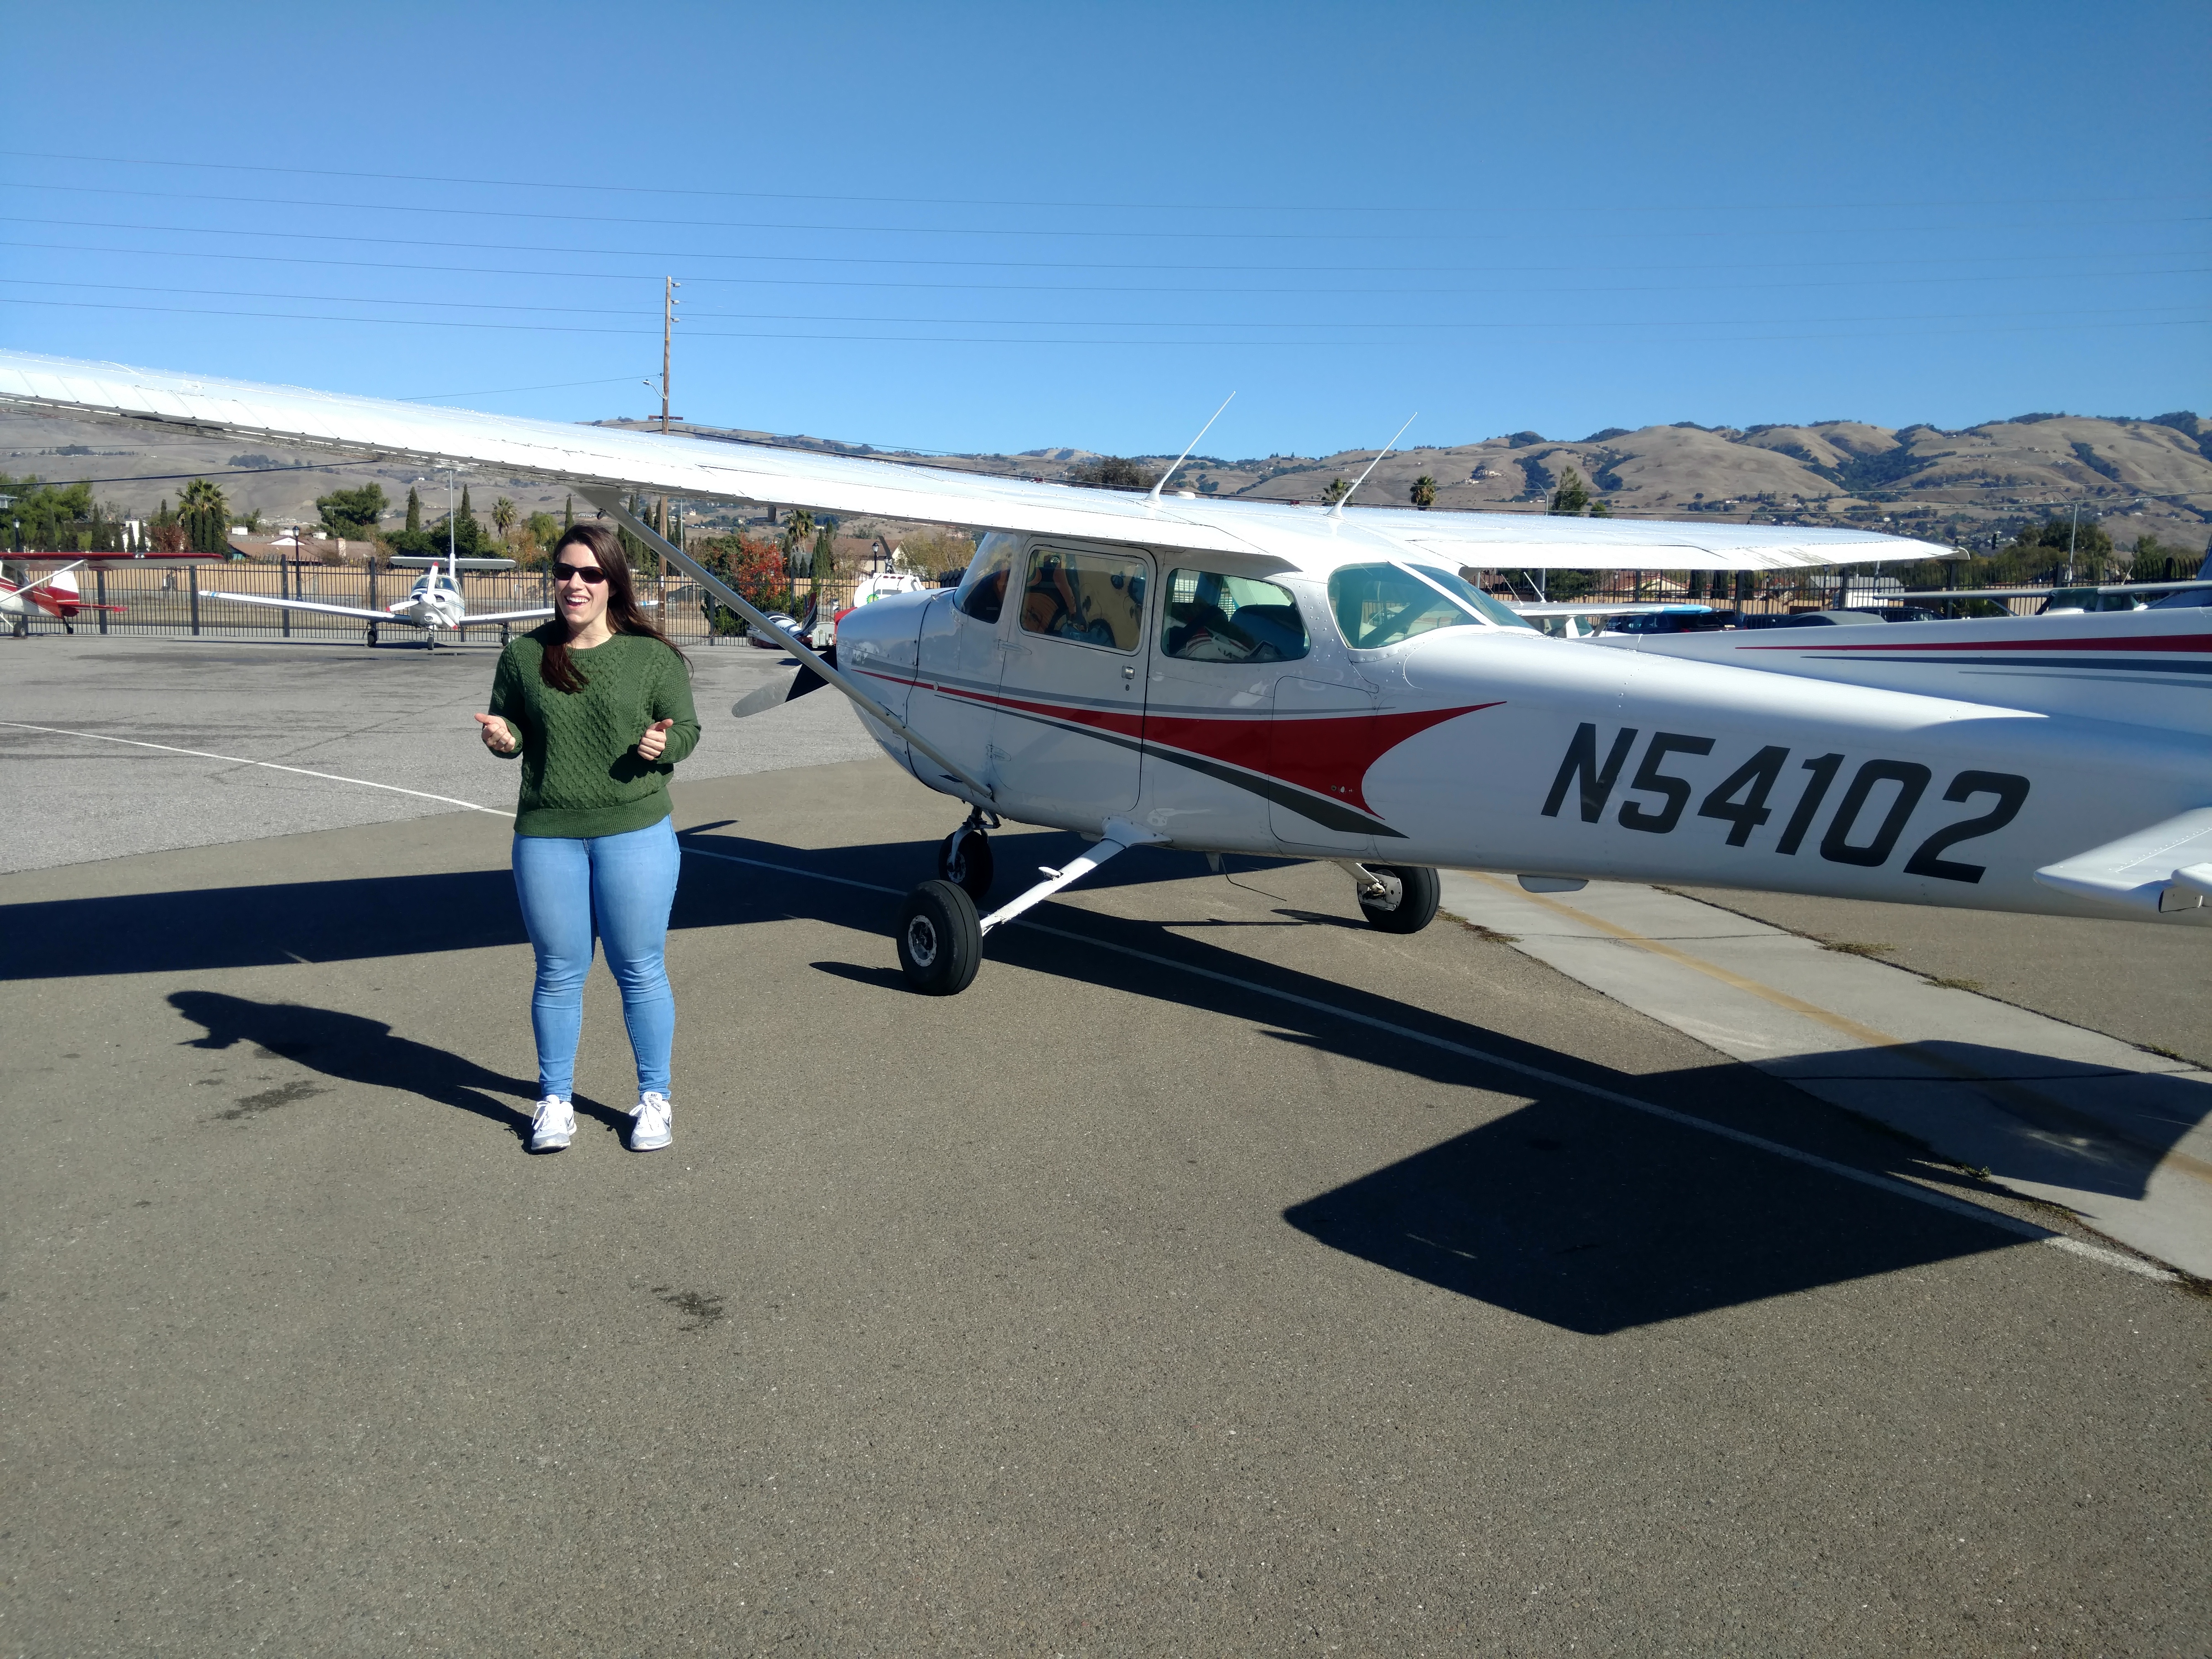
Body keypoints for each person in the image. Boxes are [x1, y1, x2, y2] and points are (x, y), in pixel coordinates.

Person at [474, 523, 701, 1154]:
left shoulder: (651, 657)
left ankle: (655, 1098)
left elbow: (687, 730)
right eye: (564, 571)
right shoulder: (523, 655)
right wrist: (503, 740)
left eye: (590, 574)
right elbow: (513, 731)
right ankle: (554, 1101)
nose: (575, 584)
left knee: (640, 969)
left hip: (636, 831)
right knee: (557, 973)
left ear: (612, 582)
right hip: (548, 836)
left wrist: (664, 744)